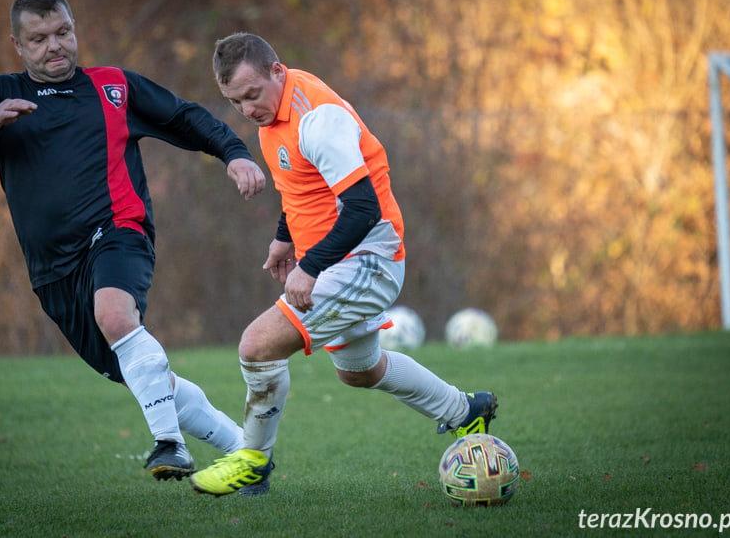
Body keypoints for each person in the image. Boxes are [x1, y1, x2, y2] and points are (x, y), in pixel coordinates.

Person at [0, 0, 267, 486]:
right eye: (39, 38)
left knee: (114, 312)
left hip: (118, 231)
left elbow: (185, 117)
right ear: (18, 44)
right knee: (139, 373)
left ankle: (170, 445)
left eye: (63, 32)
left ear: (74, 28)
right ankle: (245, 451)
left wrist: (234, 153)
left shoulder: (113, 87)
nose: (55, 46)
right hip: (52, 269)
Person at [188, 32, 498, 496]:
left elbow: (361, 208)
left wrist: (310, 268)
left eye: (252, 95)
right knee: (358, 370)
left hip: (367, 260)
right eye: (235, 102)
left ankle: (252, 460)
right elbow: (303, 187)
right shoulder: (276, 112)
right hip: (342, 262)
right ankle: (464, 411)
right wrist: (283, 239)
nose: (248, 109)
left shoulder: (318, 119)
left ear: (278, 70)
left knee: (257, 346)